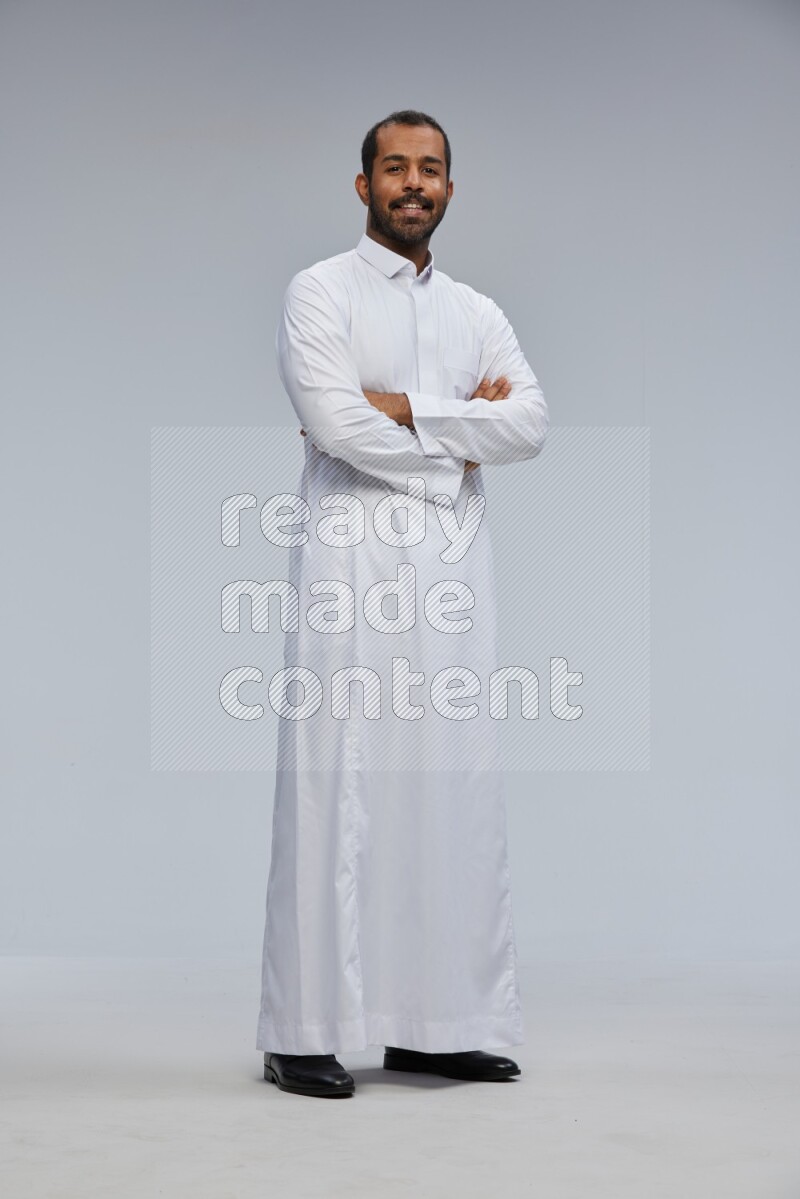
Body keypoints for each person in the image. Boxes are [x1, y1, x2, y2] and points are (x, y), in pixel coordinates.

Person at [257, 110, 548, 1098]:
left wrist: (414, 409)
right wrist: (458, 441)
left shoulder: (474, 310)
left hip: (453, 576)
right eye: (393, 167)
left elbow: (531, 422)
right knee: (335, 783)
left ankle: (436, 1023)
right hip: (349, 566)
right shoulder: (319, 291)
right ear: (362, 185)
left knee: (446, 788)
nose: (411, 183)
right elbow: (334, 421)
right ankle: (302, 1027)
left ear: (449, 191)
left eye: (428, 170)